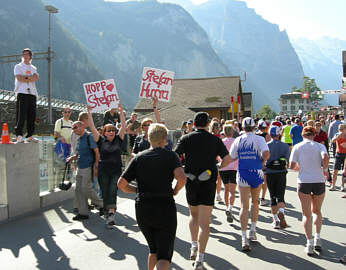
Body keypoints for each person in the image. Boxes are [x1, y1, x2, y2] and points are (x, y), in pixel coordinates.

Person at [118, 123, 186, 270]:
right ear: (164, 139)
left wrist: (135, 190)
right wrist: (175, 190)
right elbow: (182, 178)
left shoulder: (139, 158)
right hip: (164, 206)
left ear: (149, 138)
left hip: (143, 207)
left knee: (153, 249)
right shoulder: (170, 156)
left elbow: (121, 184)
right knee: (164, 255)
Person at [174, 112, 231, 269]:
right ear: (207, 124)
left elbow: (174, 156)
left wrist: (182, 169)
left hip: (191, 180)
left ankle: (193, 245)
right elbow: (227, 159)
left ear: (194, 124)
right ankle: (200, 257)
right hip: (208, 181)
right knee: (205, 223)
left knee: (193, 216)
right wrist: (218, 167)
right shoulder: (215, 139)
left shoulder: (186, 138)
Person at [229, 117, 270, 252]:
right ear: (254, 127)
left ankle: (243, 237)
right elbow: (266, 153)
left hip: (243, 173)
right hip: (256, 172)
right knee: (255, 202)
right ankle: (252, 230)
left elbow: (232, 156)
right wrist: (262, 162)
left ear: (242, 127)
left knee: (243, 206)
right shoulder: (260, 139)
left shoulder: (238, 139)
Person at [289, 126, 329, 255]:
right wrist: (324, 170)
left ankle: (309, 243)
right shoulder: (320, 146)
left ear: (302, 134)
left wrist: (300, 168)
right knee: (317, 211)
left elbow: (291, 166)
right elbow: (325, 158)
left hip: (304, 181)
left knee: (306, 214)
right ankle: (317, 238)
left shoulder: (297, 146)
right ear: (314, 134)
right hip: (319, 181)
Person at [87, 103, 126, 226]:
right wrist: (89, 112)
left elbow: (123, 126)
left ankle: (111, 213)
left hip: (116, 170)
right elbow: (92, 127)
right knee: (104, 191)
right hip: (103, 170)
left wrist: (121, 111)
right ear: (104, 132)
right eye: (109, 130)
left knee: (113, 190)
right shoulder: (100, 140)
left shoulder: (118, 139)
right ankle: (106, 210)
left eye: (113, 130)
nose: (112, 132)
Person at [66, 121, 104, 221]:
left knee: (85, 188)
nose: (73, 130)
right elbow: (78, 153)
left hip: (88, 166)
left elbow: (96, 151)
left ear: (82, 126)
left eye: (75, 127)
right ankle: (83, 213)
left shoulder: (89, 137)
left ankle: (102, 204)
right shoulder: (80, 139)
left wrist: (96, 166)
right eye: (72, 128)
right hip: (80, 166)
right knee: (78, 190)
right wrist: (71, 158)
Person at [264, 126, 290, 229]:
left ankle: (275, 220)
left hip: (270, 172)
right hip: (281, 172)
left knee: (272, 197)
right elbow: (288, 161)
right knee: (281, 195)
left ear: (270, 134)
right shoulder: (285, 146)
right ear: (279, 134)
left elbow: (263, 158)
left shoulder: (266, 145)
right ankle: (281, 211)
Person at [13, 48, 39, 143]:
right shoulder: (18, 66)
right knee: (21, 115)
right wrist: (30, 78)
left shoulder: (33, 68)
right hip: (22, 92)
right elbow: (19, 78)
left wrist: (26, 77)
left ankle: (30, 135)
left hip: (32, 93)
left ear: (30, 56)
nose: (25, 56)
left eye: (27, 54)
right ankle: (19, 135)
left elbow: (36, 77)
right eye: (24, 54)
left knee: (31, 116)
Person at [218, 124, 238, 222]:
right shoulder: (236, 142)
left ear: (224, 132)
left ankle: (227, 207)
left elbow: (217, 155)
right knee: (232, 191)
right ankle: (230, 208)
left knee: (226, 189)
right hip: (233, 168)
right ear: (232, 132)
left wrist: (220, 162)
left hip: (223, 168)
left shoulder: (221, 142)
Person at [54, 106, 73, 187]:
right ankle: (57, 185)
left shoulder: (72, 123)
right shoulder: (59, 121)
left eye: (69, 112)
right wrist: (61, 138)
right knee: (60, 166)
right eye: (66, 112)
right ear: (62, 113)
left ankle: (66, 184)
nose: (67, 113)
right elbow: (56, 133)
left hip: (69, 147)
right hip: (61, 147)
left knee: (68, 167)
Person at [256, 120, 271, 206]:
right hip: (264, 159)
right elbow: (268, 148)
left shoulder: (256, 135)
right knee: (264, 181)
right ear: (265, 128)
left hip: (256, 158)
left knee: (257, 179)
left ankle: (256, 196)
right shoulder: (267, 136)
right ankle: (262, 198)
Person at [330, 124, 346, 191]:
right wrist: (338, 137)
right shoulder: (337, 134)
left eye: (342, 129)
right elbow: (332, 141)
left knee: (344, 171)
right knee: (335, 170)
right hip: (338, 154)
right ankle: (333, 185)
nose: (340, 130)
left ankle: (342, 186)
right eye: (339, 129)